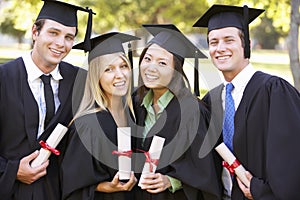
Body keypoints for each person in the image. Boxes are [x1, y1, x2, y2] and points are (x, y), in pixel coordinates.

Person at [193, 4, 300, 199]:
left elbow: (291, 161)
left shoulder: (274, 91)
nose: (220, 48)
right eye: (213, 42)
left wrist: (260, 191)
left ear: (246, 44)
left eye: (229, 40)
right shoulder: (212, 99)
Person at [0, 0, 93, 199]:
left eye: (69, 37)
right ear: (35, 32)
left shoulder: (79, 81)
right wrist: (12, 171)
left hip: (58, 191)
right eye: (53, 33)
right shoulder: (3, 78)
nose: (61, 44)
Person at [132, 24, 221, 200]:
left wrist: (171, 181)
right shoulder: (134, 102)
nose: (151, 67)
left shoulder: (192, 113)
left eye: (162, 63)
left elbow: (205, 170)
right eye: (147, 59)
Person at [61, 32, 140, 200]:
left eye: (123, 66)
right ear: (96, 77)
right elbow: (72, 187)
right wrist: (107, 187)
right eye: (108, 69)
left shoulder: (135, 115)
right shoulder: (87, 125)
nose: (119, 75)